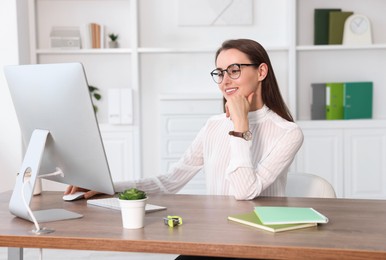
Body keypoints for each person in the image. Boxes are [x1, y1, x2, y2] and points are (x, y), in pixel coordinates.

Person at [65, 38, 303, 202]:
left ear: (261, 72)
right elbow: (170, 182)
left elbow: (244, 191)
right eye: (220, 73)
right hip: (216, 236)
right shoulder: (214, 126)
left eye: (234, 70)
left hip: (261, 243)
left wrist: (241, 126)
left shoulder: (288, 132)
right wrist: (109, 187)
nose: (224, 81)